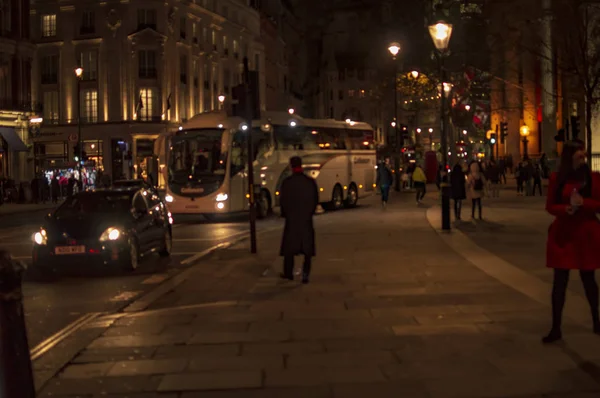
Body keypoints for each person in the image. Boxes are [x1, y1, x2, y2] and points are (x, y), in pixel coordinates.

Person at [543, 140, 600, 343]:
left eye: (584, 155)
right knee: (559, 282)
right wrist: (564, 209)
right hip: (564, 234)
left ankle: (596, 319)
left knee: (589, 280)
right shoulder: (557, 178)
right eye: (579, 154)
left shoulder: (593, 178)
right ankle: (556, 327)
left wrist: (585, 203)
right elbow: (550, 205)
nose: (583, 158)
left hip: (585, 234)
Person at [279, 156, 319, 284]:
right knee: (307, 249)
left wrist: (286, 214)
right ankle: (305, 274)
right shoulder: (310, 182)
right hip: (306, 219)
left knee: (289, 249)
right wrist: (309, 212)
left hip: (292, 220)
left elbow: (283, 202)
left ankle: (288, 273)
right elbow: (315, 200)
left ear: (291, 166)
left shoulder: (287, 182)